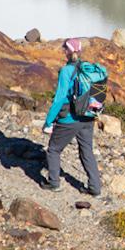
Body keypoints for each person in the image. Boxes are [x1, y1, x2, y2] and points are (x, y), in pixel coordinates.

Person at [42, 37, 102, 196]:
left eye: (64, 48)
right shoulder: (86, 68)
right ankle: (95, 188)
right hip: (88, 117)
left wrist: (48, 121)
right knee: (86, 151)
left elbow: (59, 98)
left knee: (54, 150)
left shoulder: (66, 71)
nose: (63, 50)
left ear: (68, 51)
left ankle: (54, 183)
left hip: (69, 118)